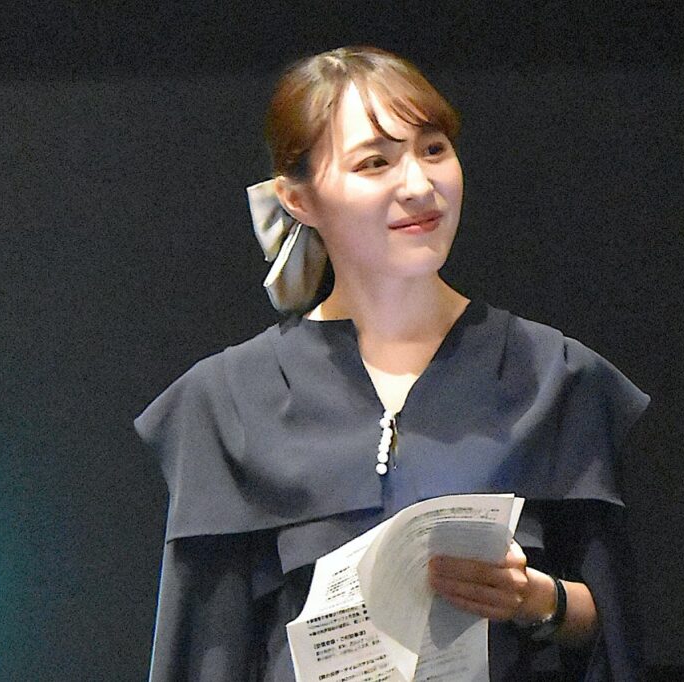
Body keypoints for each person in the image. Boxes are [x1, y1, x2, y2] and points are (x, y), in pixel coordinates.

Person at [135, 45, 650, 681]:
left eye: (433, 150)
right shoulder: (228, 401)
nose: (419, 185)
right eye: (375, 162)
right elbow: (203, 655)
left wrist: (537, 600)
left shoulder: (553, 376)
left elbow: (618, 635)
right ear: (298, 199)